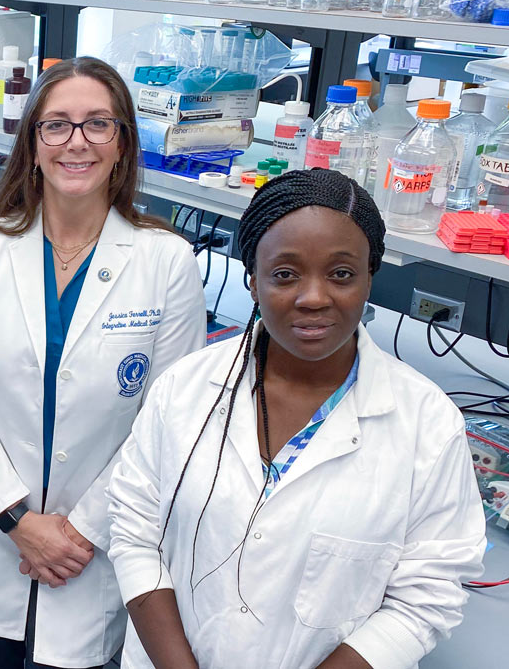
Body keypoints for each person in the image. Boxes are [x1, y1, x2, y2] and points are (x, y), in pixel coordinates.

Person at [107, 169, 487, 669]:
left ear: (371, 276)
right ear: (253, 279)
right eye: (285, 274)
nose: (313, 297)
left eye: (341, 274)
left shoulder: (426, 422)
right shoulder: (184, 389)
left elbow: (426, 596)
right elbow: (134, 533)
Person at [0, 57, 208, 669]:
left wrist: (78, 534)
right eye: (56, 125)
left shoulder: (167, 262)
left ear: (123, 145)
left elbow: (167, 426)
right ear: (31, 144)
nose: (76, 142)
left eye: (97, 124)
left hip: (91, 551)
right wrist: (17, 520)